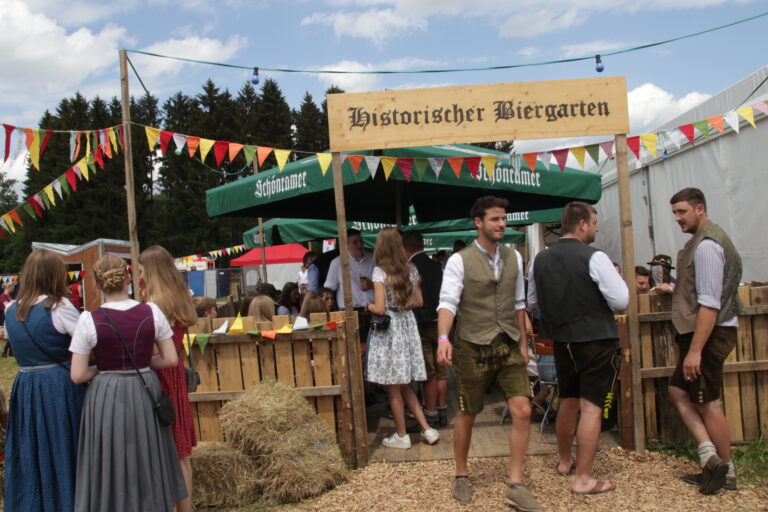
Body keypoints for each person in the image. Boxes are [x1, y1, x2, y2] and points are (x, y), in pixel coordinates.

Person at [437, 196, 538, 510]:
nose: (502, 225)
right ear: (478, 222)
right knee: (468, 412)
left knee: (523, 410)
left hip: (508, 343)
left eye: (503, 219)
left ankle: (516, 483)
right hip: (472, 346)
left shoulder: (514, 257)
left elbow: (519, 303)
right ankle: (461, 473)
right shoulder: (459, 260)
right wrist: (443, 337)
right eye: (495, 219)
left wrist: (522, 342)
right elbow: (448, 302)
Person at [70, 255, 186, 511]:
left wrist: (102, 367)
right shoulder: (151, 311)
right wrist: (143, 362)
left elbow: (77, 375)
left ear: (97, 286)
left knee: (110, 455)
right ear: (128, 279)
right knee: (147, 454)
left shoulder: (88, 320)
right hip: (145, 389)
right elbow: (169, 359)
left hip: (105, 395)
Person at [528, 201, 628, 496]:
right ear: (582, 224)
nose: (596, 229)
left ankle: (564, 461)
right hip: (596, 338)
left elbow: (532, 302)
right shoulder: (595, 257)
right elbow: (622, 300)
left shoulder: (539, 260)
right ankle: (583, 478)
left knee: (568, 400)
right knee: (593, 408)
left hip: (561, 340)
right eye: (595, 223)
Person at [667, 188, 743, 495]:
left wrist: (695, 351)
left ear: (700, 208)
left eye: (682, 211)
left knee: (708, 402)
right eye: (674, 213)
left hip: (709, 334)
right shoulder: (699, 242)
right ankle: (711, 459)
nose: (677, 218)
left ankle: (726, 471)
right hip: (703, 332)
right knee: (677, 390)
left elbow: (710, 303)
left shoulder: (708, 246)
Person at [3, 249, 84, 511]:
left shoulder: (11, 309)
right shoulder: (59, 306)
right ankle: (65, 501)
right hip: (58, 387)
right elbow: (86, 345)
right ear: (53, 275)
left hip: (25, 386)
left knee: (33, 447)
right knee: (62, 444)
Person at [364, 227, 439, 450]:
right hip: (407, 324)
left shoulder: (380, 272)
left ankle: (401, 434)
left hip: (390, 330)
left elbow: (378, 307)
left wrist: (365, 306)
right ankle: (427, 429)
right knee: (404, 383)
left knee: (392, 385)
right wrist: (401, 304)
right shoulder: (412, 268)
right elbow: (419, 301)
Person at [138, 246, 199, 512]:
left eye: (141, 269)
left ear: (150, 270)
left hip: (161, 373)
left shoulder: (155, 303)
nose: (138, 274)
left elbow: (152, 348)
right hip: (176, 372)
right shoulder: (179, 295)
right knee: (182, 453)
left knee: (168, 451)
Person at [402, 231, 447, 428]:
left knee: (428, 371)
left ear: (406, 248)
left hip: (421, 322)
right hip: (439, 320)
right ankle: (443, 407)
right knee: (441, 369)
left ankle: (430, 412)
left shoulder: (410, 268)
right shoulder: (436, 266)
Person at [324, 229, 375, 342]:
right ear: (346, 245)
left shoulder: (373, 259)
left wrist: (372, 285)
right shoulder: (337, 263)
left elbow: (386, 285)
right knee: (355, 350)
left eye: (361, 241)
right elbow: (328, 290)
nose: (360, 245)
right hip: (350, 314)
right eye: (355, 242)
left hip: (374, 311)